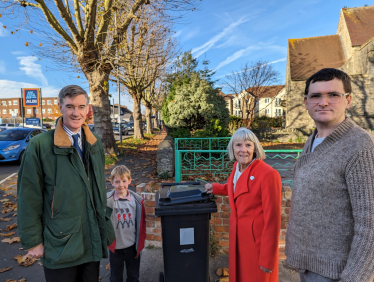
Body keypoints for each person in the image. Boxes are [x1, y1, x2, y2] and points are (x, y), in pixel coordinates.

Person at [17, 85, 115, 282]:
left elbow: (97, 189)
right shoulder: (40, 145)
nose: (76, 113)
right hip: (60, 241)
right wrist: (33, 240)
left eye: (81, 107)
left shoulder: (94, 143)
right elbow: (28, 196)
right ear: (60, 107)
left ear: (89, 109)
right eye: (70, 106)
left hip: (92, 236)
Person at [285, 68, 374, 282]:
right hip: (310, 266)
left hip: (337, 273)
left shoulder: (360, 147)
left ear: (348, 100)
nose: (323, 102)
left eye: (333, 95)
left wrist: (353, 278)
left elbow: (370, 223)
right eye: (316, 95)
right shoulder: (313, 140)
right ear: (306, 102)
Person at [205, 127, 282, 282]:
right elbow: (237, 188)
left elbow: (272, 219)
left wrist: (268, 258)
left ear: (255, 148)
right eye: (238, 145)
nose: (243, 150)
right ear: (232, 148)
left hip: (256, 244)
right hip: (238, 238)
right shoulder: (237, 167)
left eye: (248, 145)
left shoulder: (268, 174)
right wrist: (216, 187)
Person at [107, 165, 146, 282]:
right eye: (117, 182)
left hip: (132, 247)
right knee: (116, 277)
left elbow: (142, 223)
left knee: (133, 276)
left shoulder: (137, 201)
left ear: (129, 180)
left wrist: (140, 242)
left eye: (124, 181)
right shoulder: (107, 201)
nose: (121, 185)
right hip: (116, 248)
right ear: (112, 182)